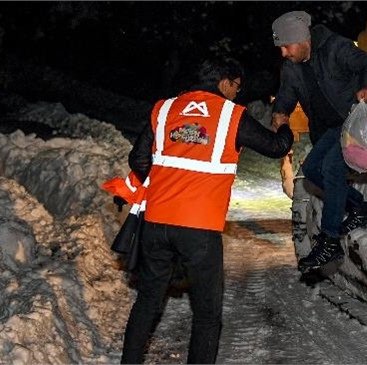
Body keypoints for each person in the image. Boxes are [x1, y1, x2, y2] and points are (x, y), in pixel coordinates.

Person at [120, 57, 293, 364]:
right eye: (236, 87)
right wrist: (283, 125)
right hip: (199, 229)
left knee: (147, 300)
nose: (236, 94)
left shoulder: (164, 109)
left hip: (156, 223)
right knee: (207, 314)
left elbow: (139, 160)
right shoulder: (230, 115)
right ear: (224, 82)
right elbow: (276, 147)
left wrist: (165, 185)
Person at [270, 10, 367, 273]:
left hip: (357, 121)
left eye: (286, 46)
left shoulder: (334, 47)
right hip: (333, 127)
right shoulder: (292, 67)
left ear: (302, 40)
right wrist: (280, 113)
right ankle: (361, 209)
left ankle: (329, 240)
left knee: (333, 169)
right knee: (313, 169)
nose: (284, 53)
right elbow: (286, 94)